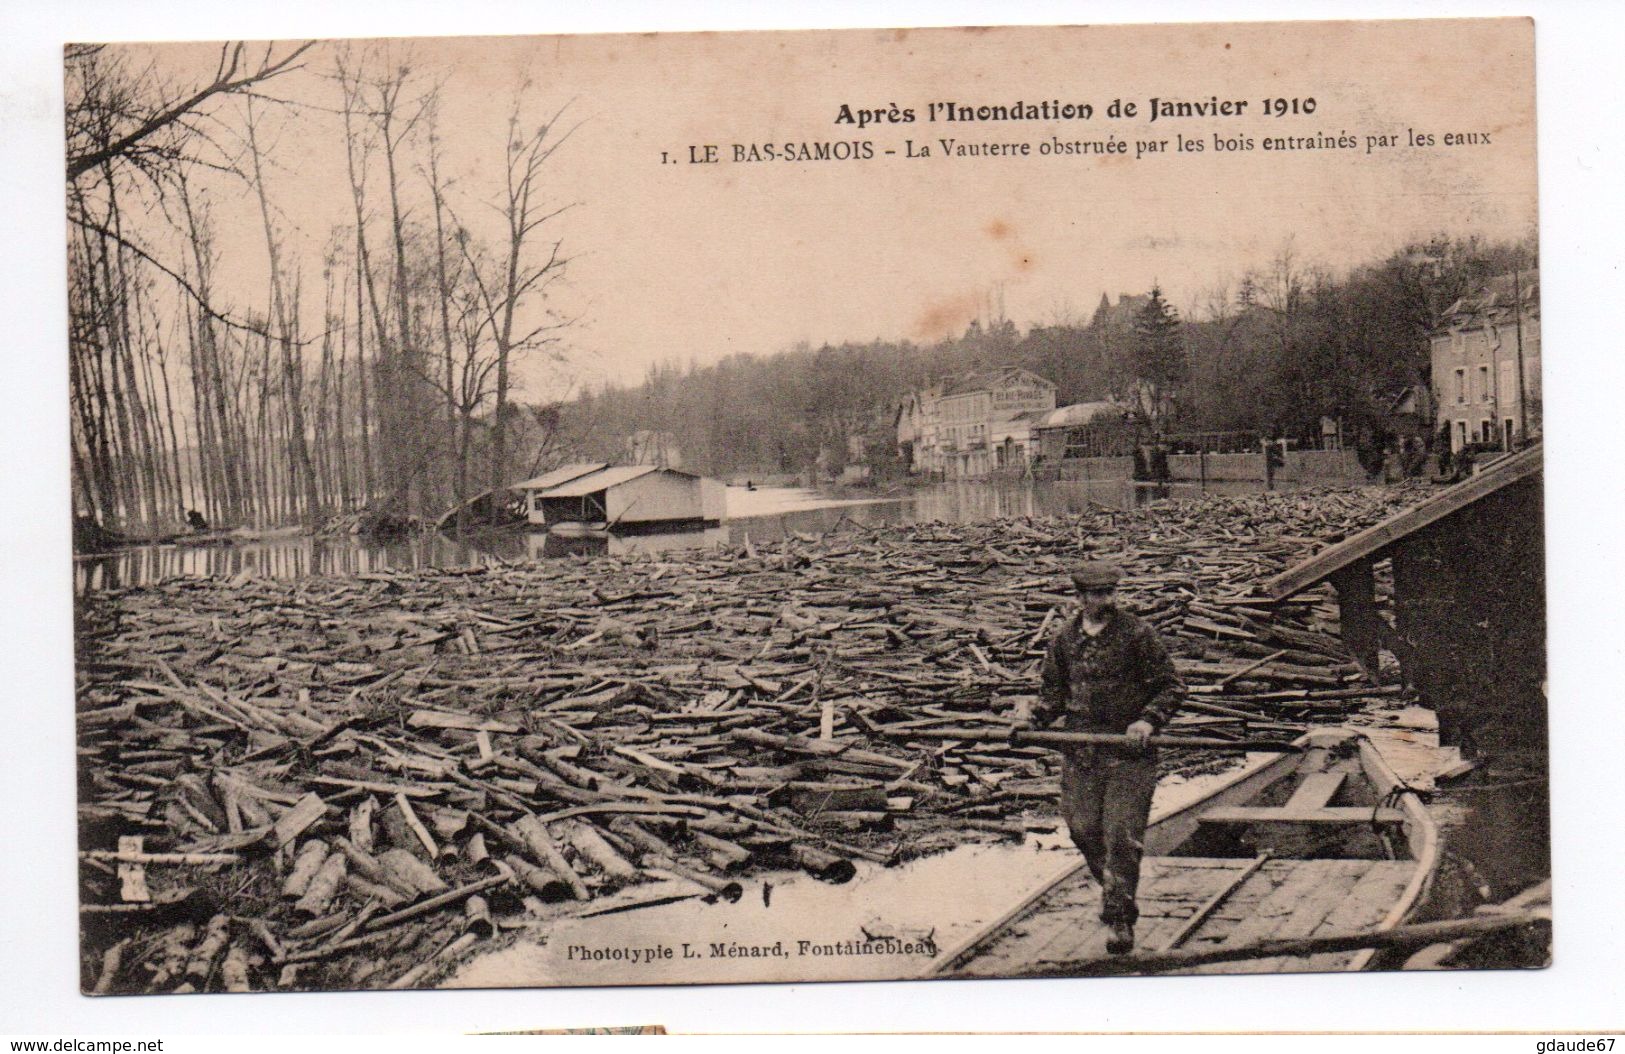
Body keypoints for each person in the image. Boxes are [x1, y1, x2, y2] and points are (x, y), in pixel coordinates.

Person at [1017, 560, 1185, 954]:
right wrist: (1031, 719)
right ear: (1080, 598)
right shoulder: (1065, 640)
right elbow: (1052, 695)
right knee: (1082, 830)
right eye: (1097, 594)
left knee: (1121, 838)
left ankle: (1119, 919)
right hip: (1082, 754)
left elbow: (1172, 687)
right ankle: (1116, 892)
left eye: (1110, 593)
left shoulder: (1137, 635)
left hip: (1129, 755)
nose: (1105, 600)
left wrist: (1148, 720)